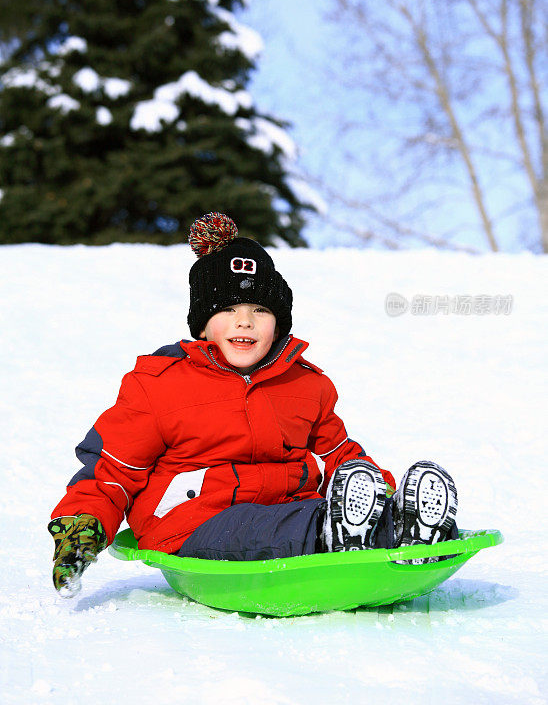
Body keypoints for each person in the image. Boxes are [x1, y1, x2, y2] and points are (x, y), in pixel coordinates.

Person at [49, 212, 458, 597]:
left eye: (260, 310)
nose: (244, 321)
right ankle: (335, 534)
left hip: (294, 506)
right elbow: (112, 470)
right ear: (203, 323)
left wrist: (380, 487)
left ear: (278, 323)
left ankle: (405, 532)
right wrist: (82, 524)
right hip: (194, 522)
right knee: (261, 529)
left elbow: (339, 455)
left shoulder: (306, 384)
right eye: (228, 309)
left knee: (306, 513)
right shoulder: (159, 385)